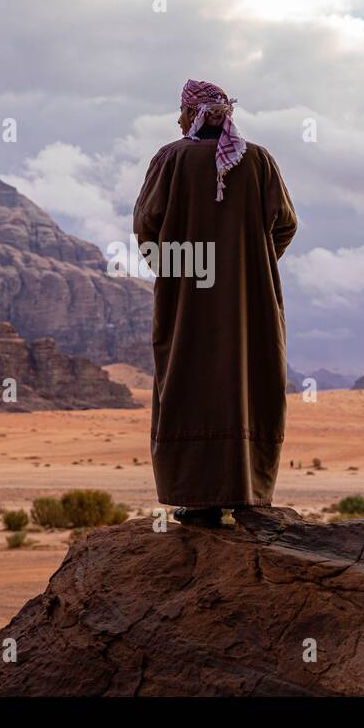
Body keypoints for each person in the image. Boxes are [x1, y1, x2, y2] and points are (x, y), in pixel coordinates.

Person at [132, 79, 298, 526]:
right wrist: (251, 262)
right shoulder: (259, 161)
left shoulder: (170, 159)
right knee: (250, 379)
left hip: (187, 296)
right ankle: (247, 494)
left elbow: (146, 226)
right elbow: (285, 223)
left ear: (193, 115)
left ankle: (198, 499)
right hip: (251, 298)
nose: (177, 120)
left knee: (188, 380)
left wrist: (176, 270)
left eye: (181, 112)